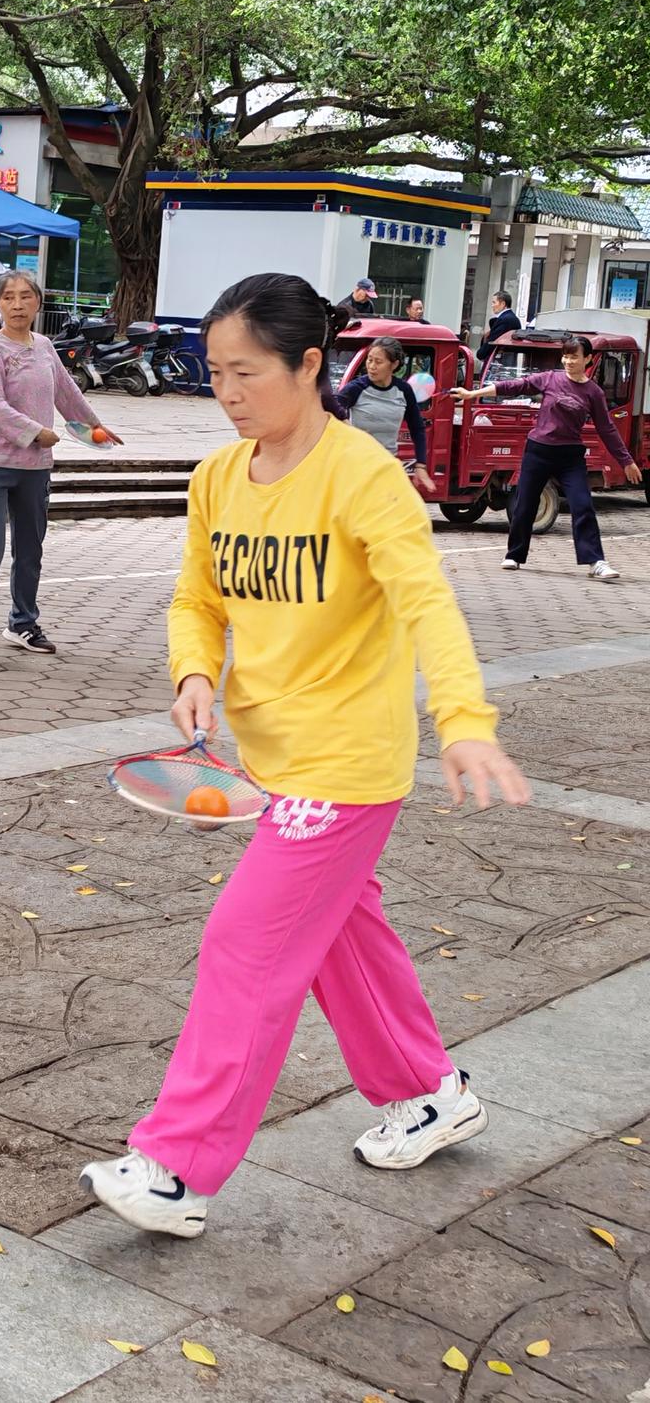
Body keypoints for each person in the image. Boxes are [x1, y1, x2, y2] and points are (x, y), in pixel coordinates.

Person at [79, 271, 529, 1238]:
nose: (227, 392)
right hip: (269, 760)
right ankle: (429, 1093)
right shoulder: (215, 476)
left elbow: (427, 604)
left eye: (246, 373)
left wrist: (465, 721)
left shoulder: (361, 476)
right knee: (338, 939)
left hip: (348, 768)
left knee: (248, 944)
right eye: (215, 373)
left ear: (311, 365)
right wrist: (195, 672)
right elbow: (197, 598)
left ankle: (177, 1166)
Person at [0, 271, 122, 665]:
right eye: (8, 297)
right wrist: (36, 432)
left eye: (26, 297)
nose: (18, 304)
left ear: (38, 303)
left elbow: (66, 391)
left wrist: (93, 424)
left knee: (30, 551)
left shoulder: (44, 346)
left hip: (34, 468)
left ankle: (23, 624)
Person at [454, 336, 641, 580]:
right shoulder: (550, 379)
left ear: (588, 359)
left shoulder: (593, 392)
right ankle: (514, 554)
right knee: (525, 504)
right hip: (539, 450)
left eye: (574, 356)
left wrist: (626, 461)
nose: (568, 361)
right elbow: (515, 386)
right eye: (565, 355)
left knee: (582, 505)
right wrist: (472, 393)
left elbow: (606, 429)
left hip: (570, 456)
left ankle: (596, 561)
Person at [336, 336, 435, 493]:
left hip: (386, 467)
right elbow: (331, 407)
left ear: (394, 365)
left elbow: (417, 428)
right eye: (369, 360)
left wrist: (421, 465)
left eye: (378, 362)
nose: (372, 366)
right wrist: (346, 423)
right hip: (356, 467)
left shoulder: (403, 391)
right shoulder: (357, 388)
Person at [477, 290, 522, 360]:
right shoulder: (510, 318)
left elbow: (493, 341)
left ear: (503, 304)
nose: (492, 305)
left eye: (494, 302)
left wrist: (481, 353)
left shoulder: (505, 320)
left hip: (501, 361)